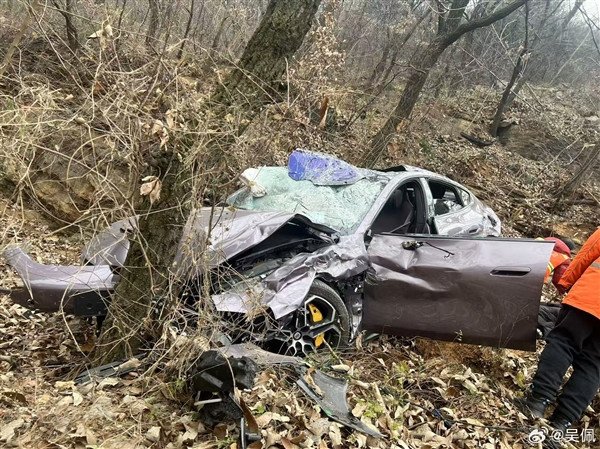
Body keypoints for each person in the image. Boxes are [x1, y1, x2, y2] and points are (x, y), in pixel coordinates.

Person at [517, 227, 600, 447]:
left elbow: (588, 253)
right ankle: (561, 424)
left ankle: (537, 402)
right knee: (593, 365)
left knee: (564, 343)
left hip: (590, 297)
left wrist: (566, 282)